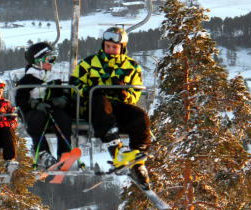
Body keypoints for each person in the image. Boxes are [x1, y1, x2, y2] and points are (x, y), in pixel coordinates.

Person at [69, 26, 150, 189]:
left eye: (114, 47)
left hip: (119, 107)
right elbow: (74, 88)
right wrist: (94, 89)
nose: (111, 50)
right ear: (103, 45)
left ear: (122, 47)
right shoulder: (88, 63)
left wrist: (124, 93)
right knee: (101, 101)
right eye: (108, 46)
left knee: (140, 117)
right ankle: (116, 152)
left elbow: (135, 94)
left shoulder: (132, 66)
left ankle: (138, 162)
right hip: (94, 107)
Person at [15, 42, 74, 170]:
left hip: (51, 107)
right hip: (34, 110)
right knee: (36, 119)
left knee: (63, 118)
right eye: (49, 59)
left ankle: (64, 152)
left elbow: (64, 94)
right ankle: (43, 153)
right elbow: (20, 100)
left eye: (54, 59)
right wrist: (34, 104)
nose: (52, 63)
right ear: (37, 61)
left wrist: (63, 100)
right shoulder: (27, 80)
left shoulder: (53, 78)